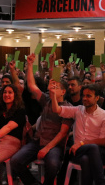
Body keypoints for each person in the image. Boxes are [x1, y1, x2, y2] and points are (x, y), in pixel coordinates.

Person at [10, 53, 73, 185]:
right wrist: (30, 65)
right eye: (53, 86)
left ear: (63, 92)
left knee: (53, 164)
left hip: (54, 145)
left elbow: (62, 134)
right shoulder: (47, 100)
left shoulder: (68, 108)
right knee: (15, 161)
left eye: (57, 87)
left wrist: (47, 148)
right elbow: (32, 86)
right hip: (37, 141)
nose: (53, 88)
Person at [51, 82, 105, 185]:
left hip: (98, 151)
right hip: (78, 151)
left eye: (88, 96)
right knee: (90, 150)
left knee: (87, 157)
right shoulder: (78, 110)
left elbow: (103, 141)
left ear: (97, 98)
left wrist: (82, 143)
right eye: (83, 95)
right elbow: (57, 109)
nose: (84, 98)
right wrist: (53, 95)